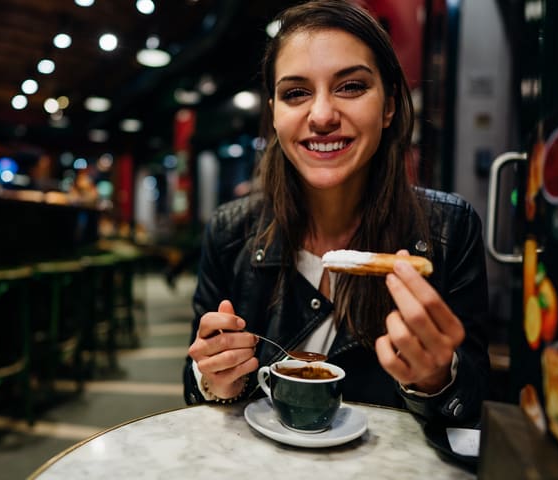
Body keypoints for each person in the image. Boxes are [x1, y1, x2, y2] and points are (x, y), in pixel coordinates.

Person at [183, 0, 489, 424]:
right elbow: (197, 390)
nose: (323, 115)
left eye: (351, 87)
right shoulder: (230, 230)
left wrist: (437, 378)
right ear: (274, 115)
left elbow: (471, 403)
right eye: (295, 93)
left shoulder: (450, 230)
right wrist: (213, 379)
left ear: (389, 106)